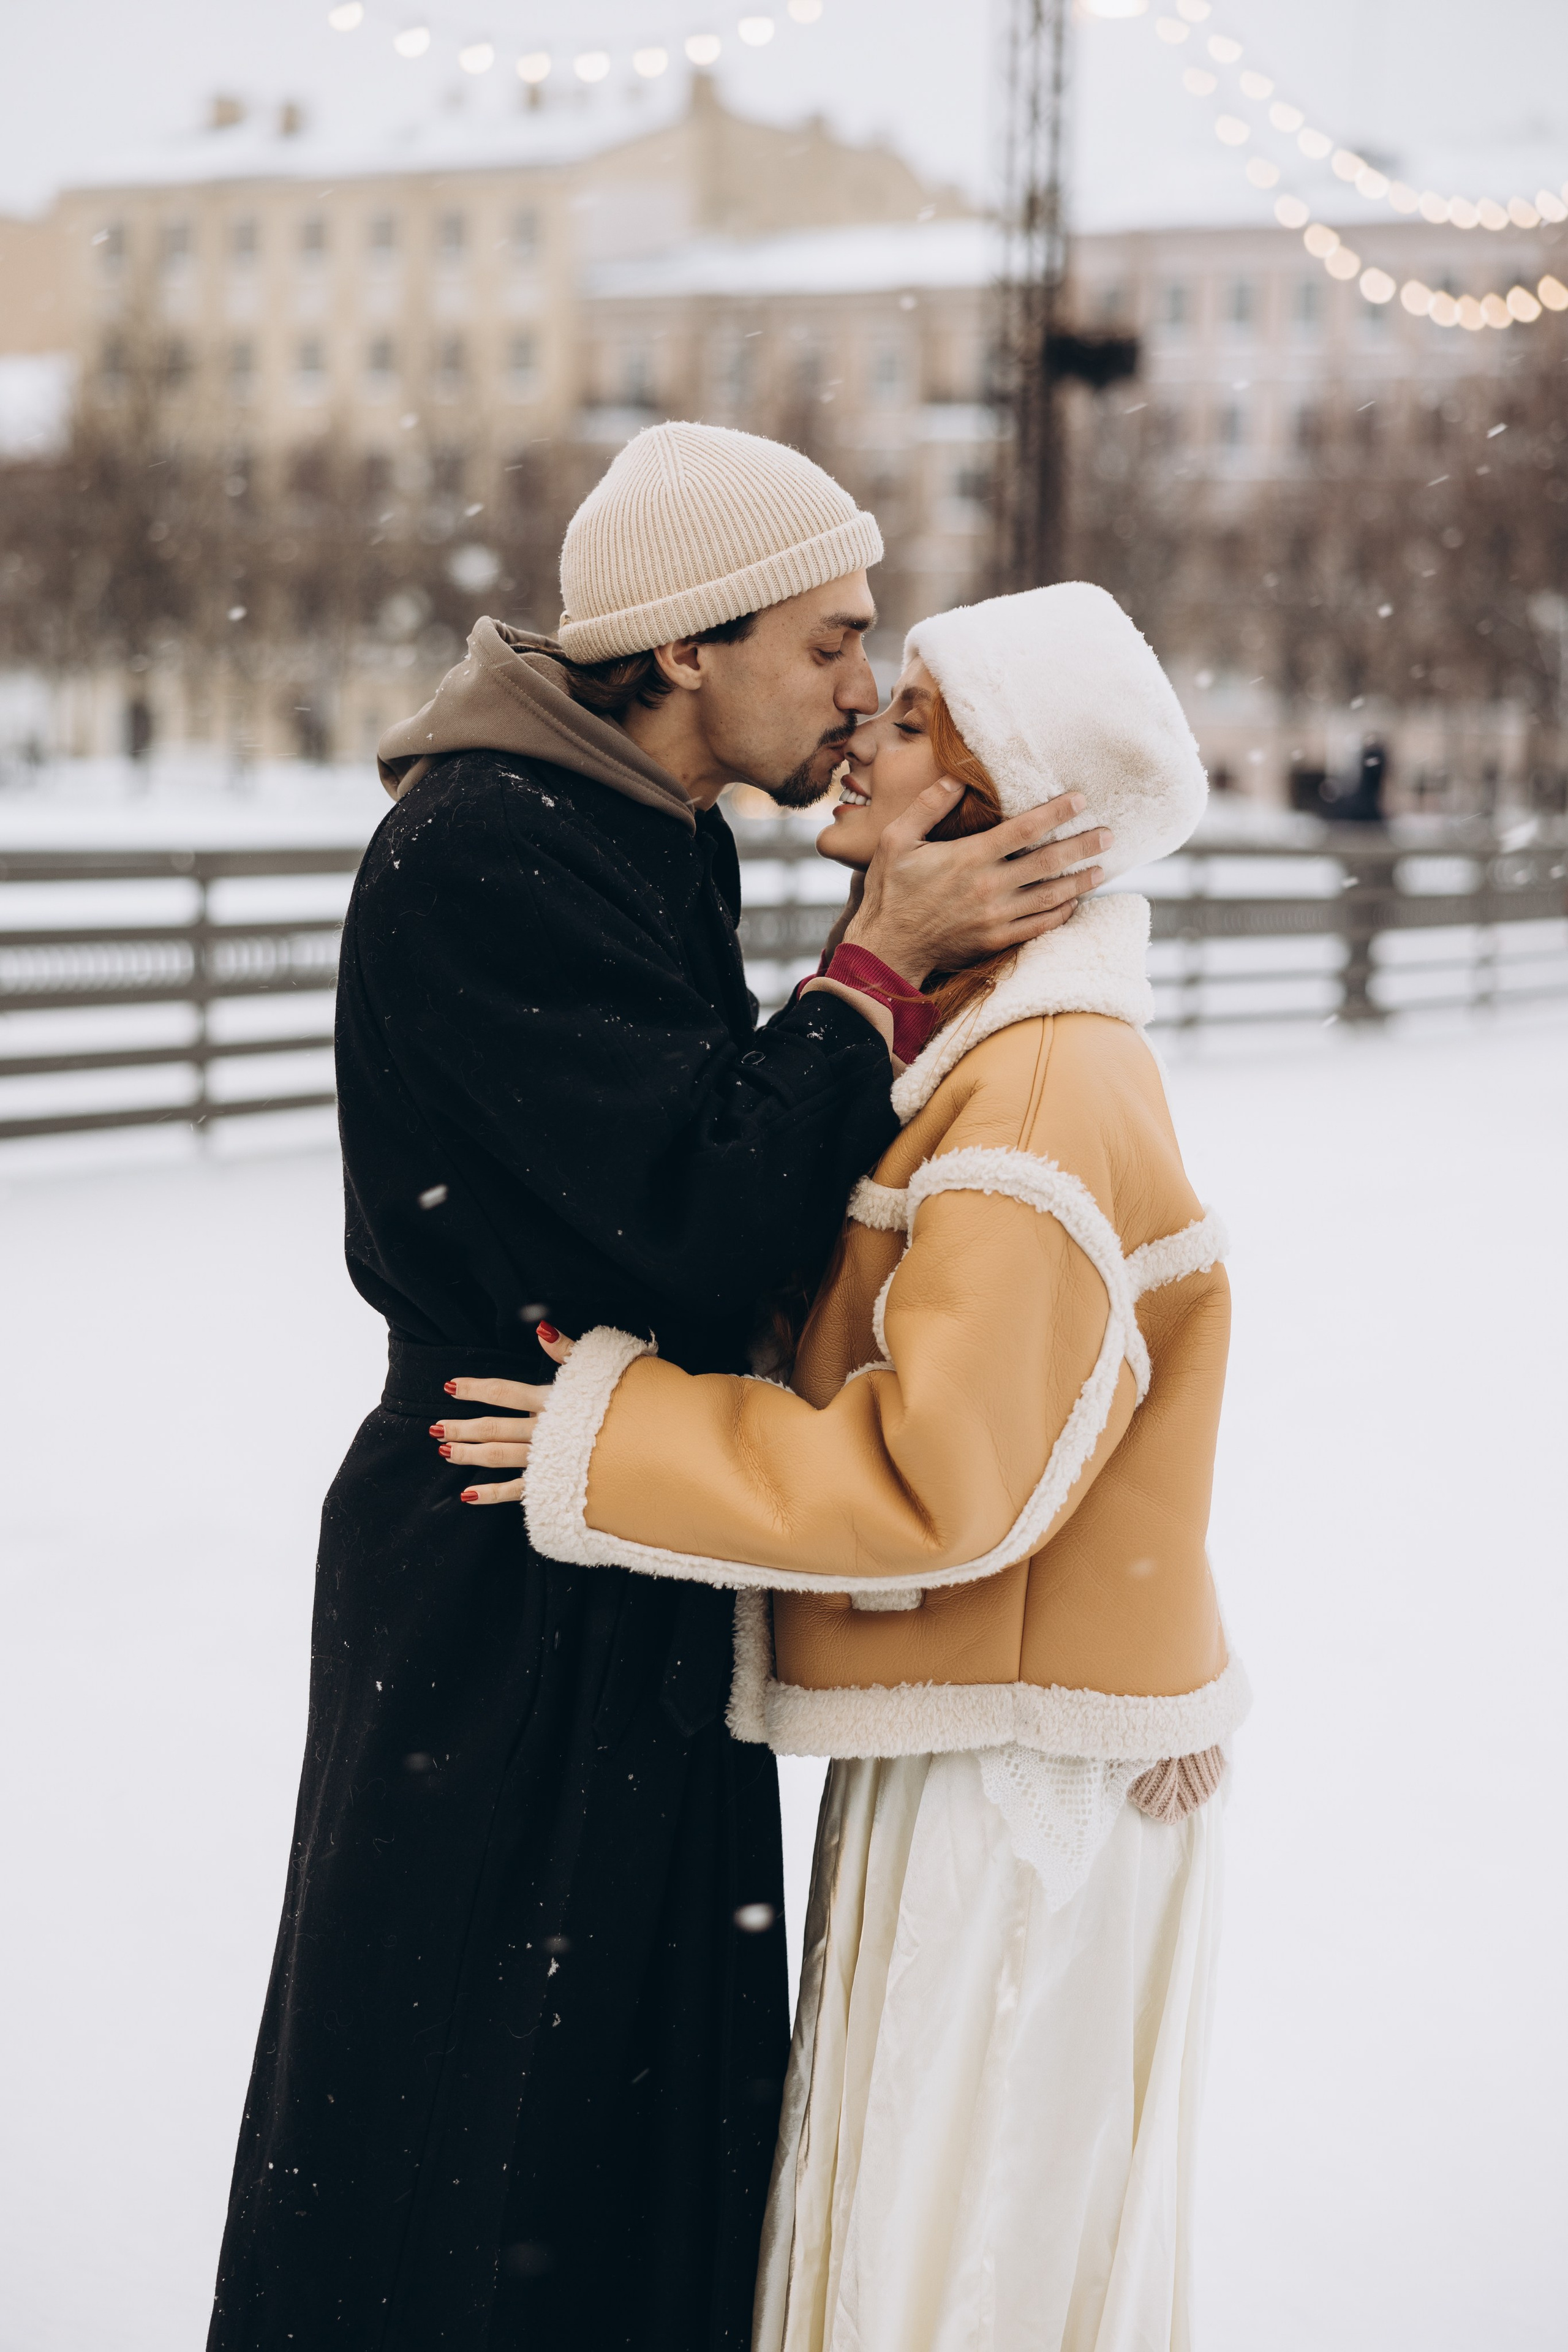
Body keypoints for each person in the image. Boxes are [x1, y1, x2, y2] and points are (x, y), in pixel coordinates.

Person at [209, 425, 1109, 2352]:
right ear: (687, 649)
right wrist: (872, 975)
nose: (861, 686)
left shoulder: (643, 829)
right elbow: (692, 1215)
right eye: (831, 637)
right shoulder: (486, 848)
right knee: (476, 2118)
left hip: (623, 1516)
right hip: (498, 1549)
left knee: (622, 2101)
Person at [433, 581, 1250, 2351]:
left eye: (916, 714)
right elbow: (1094, 1411)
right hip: (985, 1715)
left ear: (1007, 801)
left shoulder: (1033, 1093)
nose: (861, 725)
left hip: (1006, 1777)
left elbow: (939, 1477)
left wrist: (615, 1436)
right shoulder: (975, 1061)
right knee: (913, 2232)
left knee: (947, 2257)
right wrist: (1164, 1638)